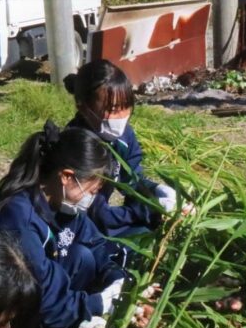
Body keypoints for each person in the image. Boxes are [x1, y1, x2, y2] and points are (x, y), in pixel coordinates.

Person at [0, 121, 125, 328]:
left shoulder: (62, 203)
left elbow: (97, 245)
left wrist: (116, 279)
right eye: (92, 191)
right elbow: (45, 298)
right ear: (67, 176)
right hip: (7, 318)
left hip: (46, 301)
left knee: (83, 255)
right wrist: (98, 304)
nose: (92, 199)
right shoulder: (19, 222)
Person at [65, 59, 179, 241]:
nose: (122, 117)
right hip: (78, 227)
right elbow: (98, 214)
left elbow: (132, 181)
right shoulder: (79, 147)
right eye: (112, 109)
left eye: (126, 106)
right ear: (83, 107)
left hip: (100, 221)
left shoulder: (124, 136)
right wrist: (150, 210)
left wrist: (156, 191)